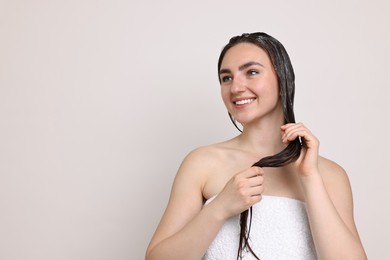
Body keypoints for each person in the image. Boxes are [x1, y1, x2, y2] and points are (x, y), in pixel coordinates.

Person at [145, 32, 367, 260]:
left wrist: (310, 179)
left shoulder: (330, 175)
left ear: (283, 78)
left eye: (251, 72)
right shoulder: (202, 163)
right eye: (226, 78)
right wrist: (219, 207)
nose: (235, 88)